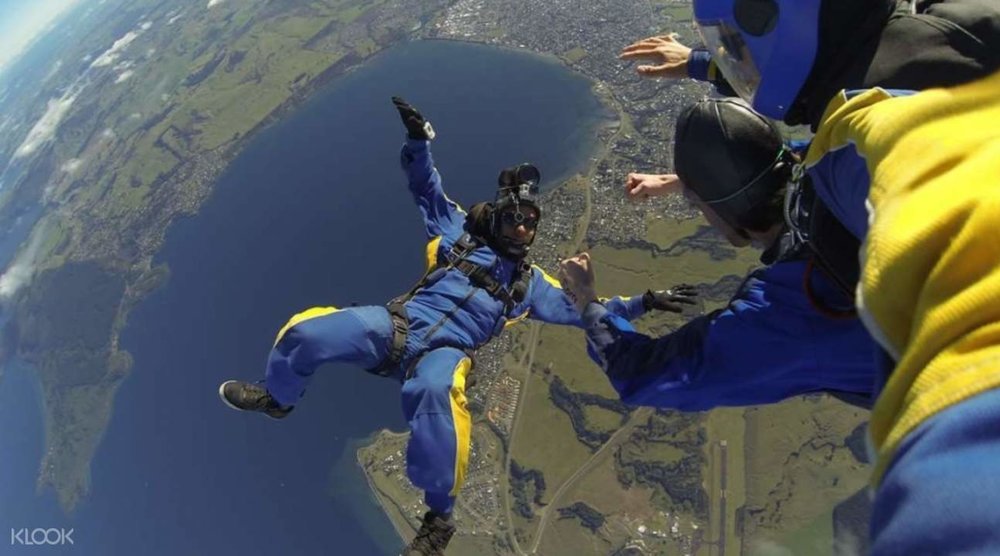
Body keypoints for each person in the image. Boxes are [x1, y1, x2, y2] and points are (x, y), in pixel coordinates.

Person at [217, 97, 694, 556]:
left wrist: (643, 302)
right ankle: (278, 399)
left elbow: (589, 311)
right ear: (499, 214)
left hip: (444, 351)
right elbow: (426, 188)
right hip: (398, 325)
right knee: (307, 332)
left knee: (438, 399)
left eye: (532, 222)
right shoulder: (458, 234)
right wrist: (419, 141)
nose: (525, 228)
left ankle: (438, 522)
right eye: (517, 218)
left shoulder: (532, 285)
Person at [626, 1, 1000, 553]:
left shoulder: (805, 285)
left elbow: (661, 373)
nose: (737, 60)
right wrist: (703, 69)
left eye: (739, 41)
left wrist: (588, 306)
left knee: (852, 528)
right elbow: (814, 143)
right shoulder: (949, 34)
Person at [559, 97, 876, 411]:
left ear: (722, 206)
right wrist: (685, 184)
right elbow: (772, 155)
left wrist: (587, 300)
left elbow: (639, 373)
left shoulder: (794, 306)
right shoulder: (839, 153)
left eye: (696, 205)